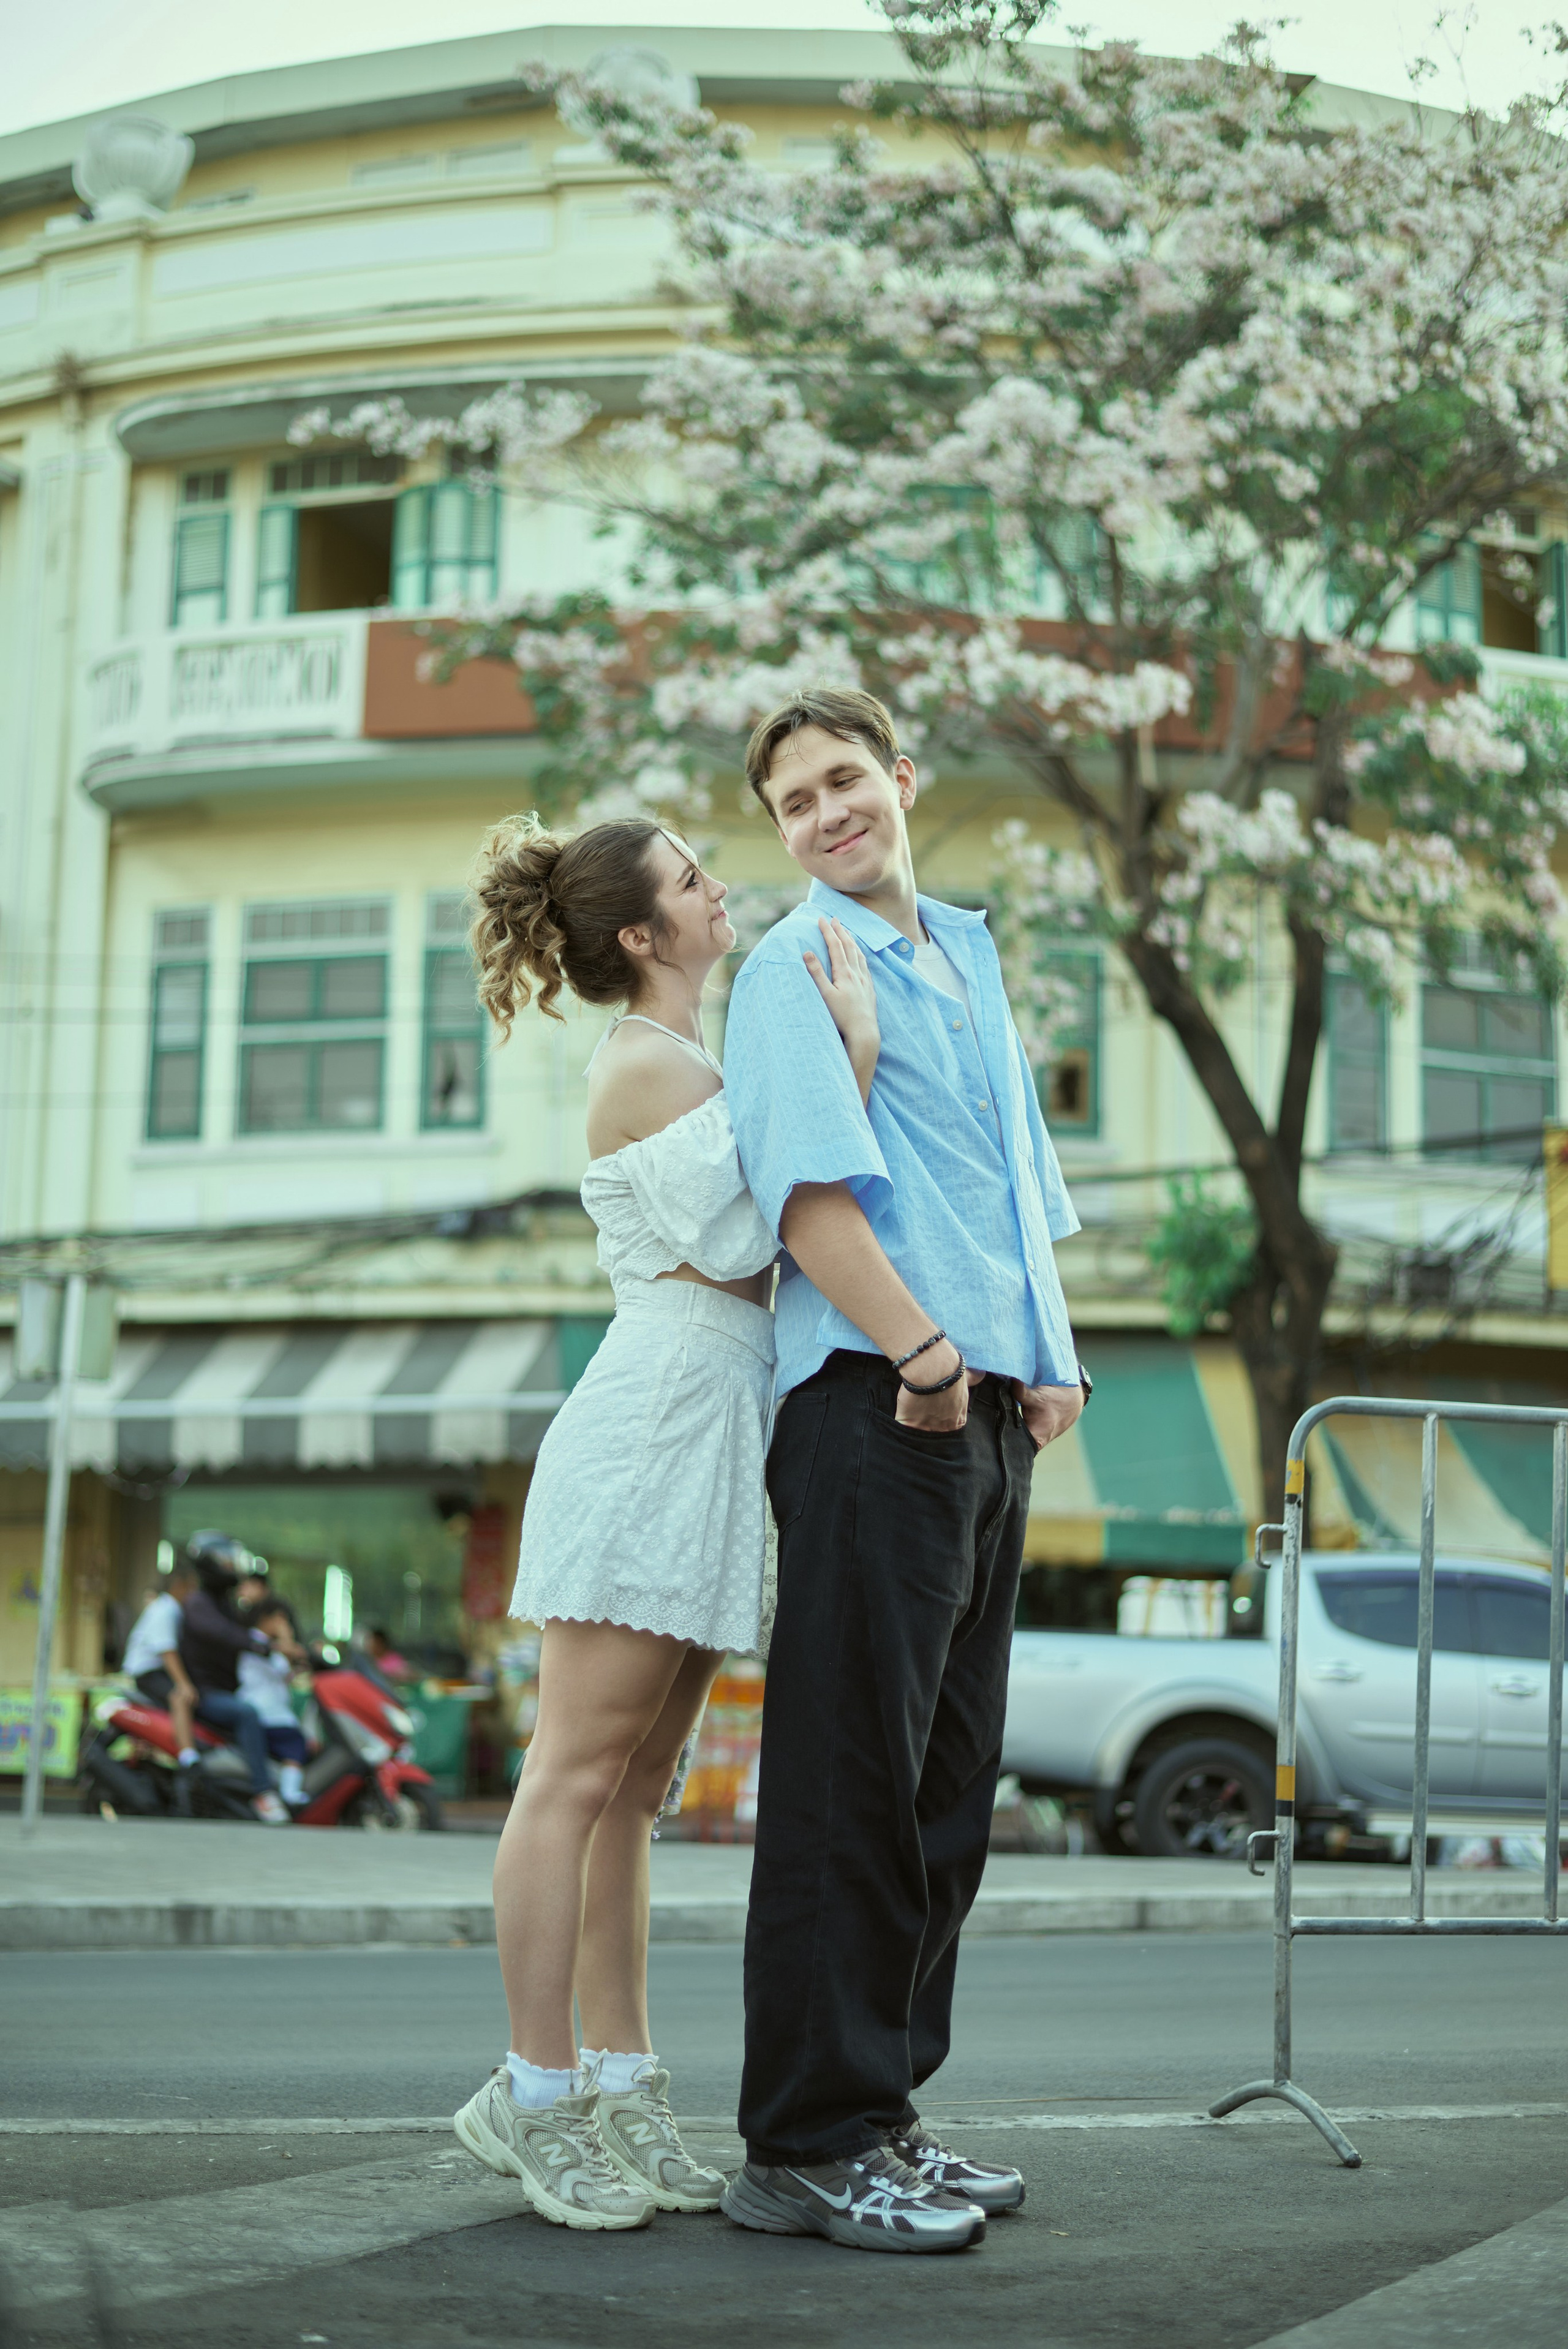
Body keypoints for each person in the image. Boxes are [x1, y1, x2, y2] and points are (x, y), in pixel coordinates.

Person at [451, 811, 879, 2234]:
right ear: (642, 934)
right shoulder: (643, 1060)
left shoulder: (693, 1057)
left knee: (634, 1788)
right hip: (654, 1426)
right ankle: (531, 2085)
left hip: (713, 1432)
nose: (717, 883)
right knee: (571, 1775)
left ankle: (624, 2081)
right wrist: (851, 1066)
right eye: (691, 875)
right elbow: (757, 1237)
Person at [719, 687, 1088, 2255]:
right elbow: (806, 1196)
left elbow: (1012, 1178)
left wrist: (1045, 1351)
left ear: (901, 779)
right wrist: (932, 1358)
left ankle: (879, 2111)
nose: (823, 815)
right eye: (794, 800)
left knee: (944, 1793)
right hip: (882, 1398)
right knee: (846, 1784)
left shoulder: (966, 951)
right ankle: (801, 2139)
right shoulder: (791, 964)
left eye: (842, 780)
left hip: (985, 1407)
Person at [176, 1532, 290, 1825]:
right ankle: (263, 1793)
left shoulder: (226, 1604)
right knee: (248, 1714)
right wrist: (261, 1645)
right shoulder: (199, 1604)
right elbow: (225, 1634)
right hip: (207, 1693)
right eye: (226, 1561)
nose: (233, 1567)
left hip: (230, 1689)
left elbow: (257, 1628)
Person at [121, 1561, 200, 1765]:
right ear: (180, 1586)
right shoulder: (167, 1610)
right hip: (148, 1672)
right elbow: (167, 1651)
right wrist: (183, 1684)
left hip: (150, 1672)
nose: (193, 1594)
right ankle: (188, 1757)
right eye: (191, 1588)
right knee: (180, 1697)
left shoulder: (168, 1609)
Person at [238, 1597, 311, 1810]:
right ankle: (290, 1795)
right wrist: (286, 1634)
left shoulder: (269, 1645)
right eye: (280, 1619)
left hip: (274, 1707)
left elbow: (284, 1671)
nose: (284, 1624)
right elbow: (292, 1651)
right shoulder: (255, 1640)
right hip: (264, 1709)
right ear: (265, 1618)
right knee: (295, 1743)